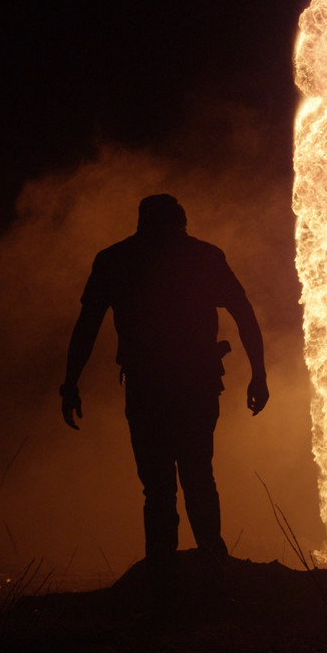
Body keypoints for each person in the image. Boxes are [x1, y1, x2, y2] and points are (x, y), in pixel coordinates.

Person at [59, 194, 268, 588]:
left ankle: (162, 573)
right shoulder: (204, 257)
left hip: (148, 384)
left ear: (141, 223)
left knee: (157, 485)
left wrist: (71, 383)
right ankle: (210, 565)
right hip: (194, 383)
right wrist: (259, 374)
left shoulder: (115, 259)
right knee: (197, 473)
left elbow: (87, 325)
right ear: (182, 223)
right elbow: (244, 314)